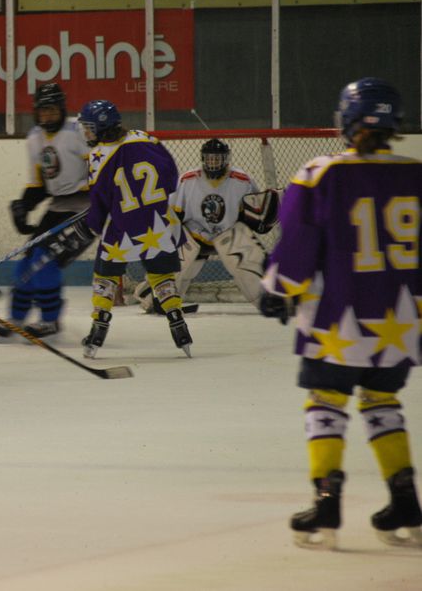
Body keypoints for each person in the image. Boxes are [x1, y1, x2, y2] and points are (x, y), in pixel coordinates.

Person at [260, 77, 421, 550]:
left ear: (346, 123)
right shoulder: (417, 174)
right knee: (382, 402)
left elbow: (297, 249)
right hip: (400, 324)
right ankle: (405, 502)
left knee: (326, 401)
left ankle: (325, 507)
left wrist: (277, 290)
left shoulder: (320, 175)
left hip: (338, 321)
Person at [79, 99, 191, 358]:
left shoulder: (99, 156)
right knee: (161, 276)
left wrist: (93, 224)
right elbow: (170, 175)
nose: (86, 133)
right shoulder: (145, 138)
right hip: (158, 222)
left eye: (89, 127)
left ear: (101, 128)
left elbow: (99, 202)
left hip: (123, 229)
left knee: (105, 277)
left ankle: (99, 328)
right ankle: (177, 322)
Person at [132, 138, 280, 312]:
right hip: (195, 237)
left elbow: (255, 212)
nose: (213, 163)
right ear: (203, 158)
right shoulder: (187, 180)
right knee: (176, 266)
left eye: (217, 159)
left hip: (229, 236)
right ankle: (153, 296)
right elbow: (173, 215)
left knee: (249, 268)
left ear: (226, 159)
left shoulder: (243, 180)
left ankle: (269, 300)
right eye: (210, 158)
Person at [0, 82, 95, 342]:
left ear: (61, 109)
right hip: (58, 206)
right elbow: (39, 184)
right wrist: (24, 205)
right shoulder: (34, 138)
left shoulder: (78, 131)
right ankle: (17, 317)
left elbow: (100, 167)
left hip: (86, 208)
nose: (47, 116)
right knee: (27, 259)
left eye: (52, 111)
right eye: (43, 112)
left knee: (44, 259)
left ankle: (50, 321)